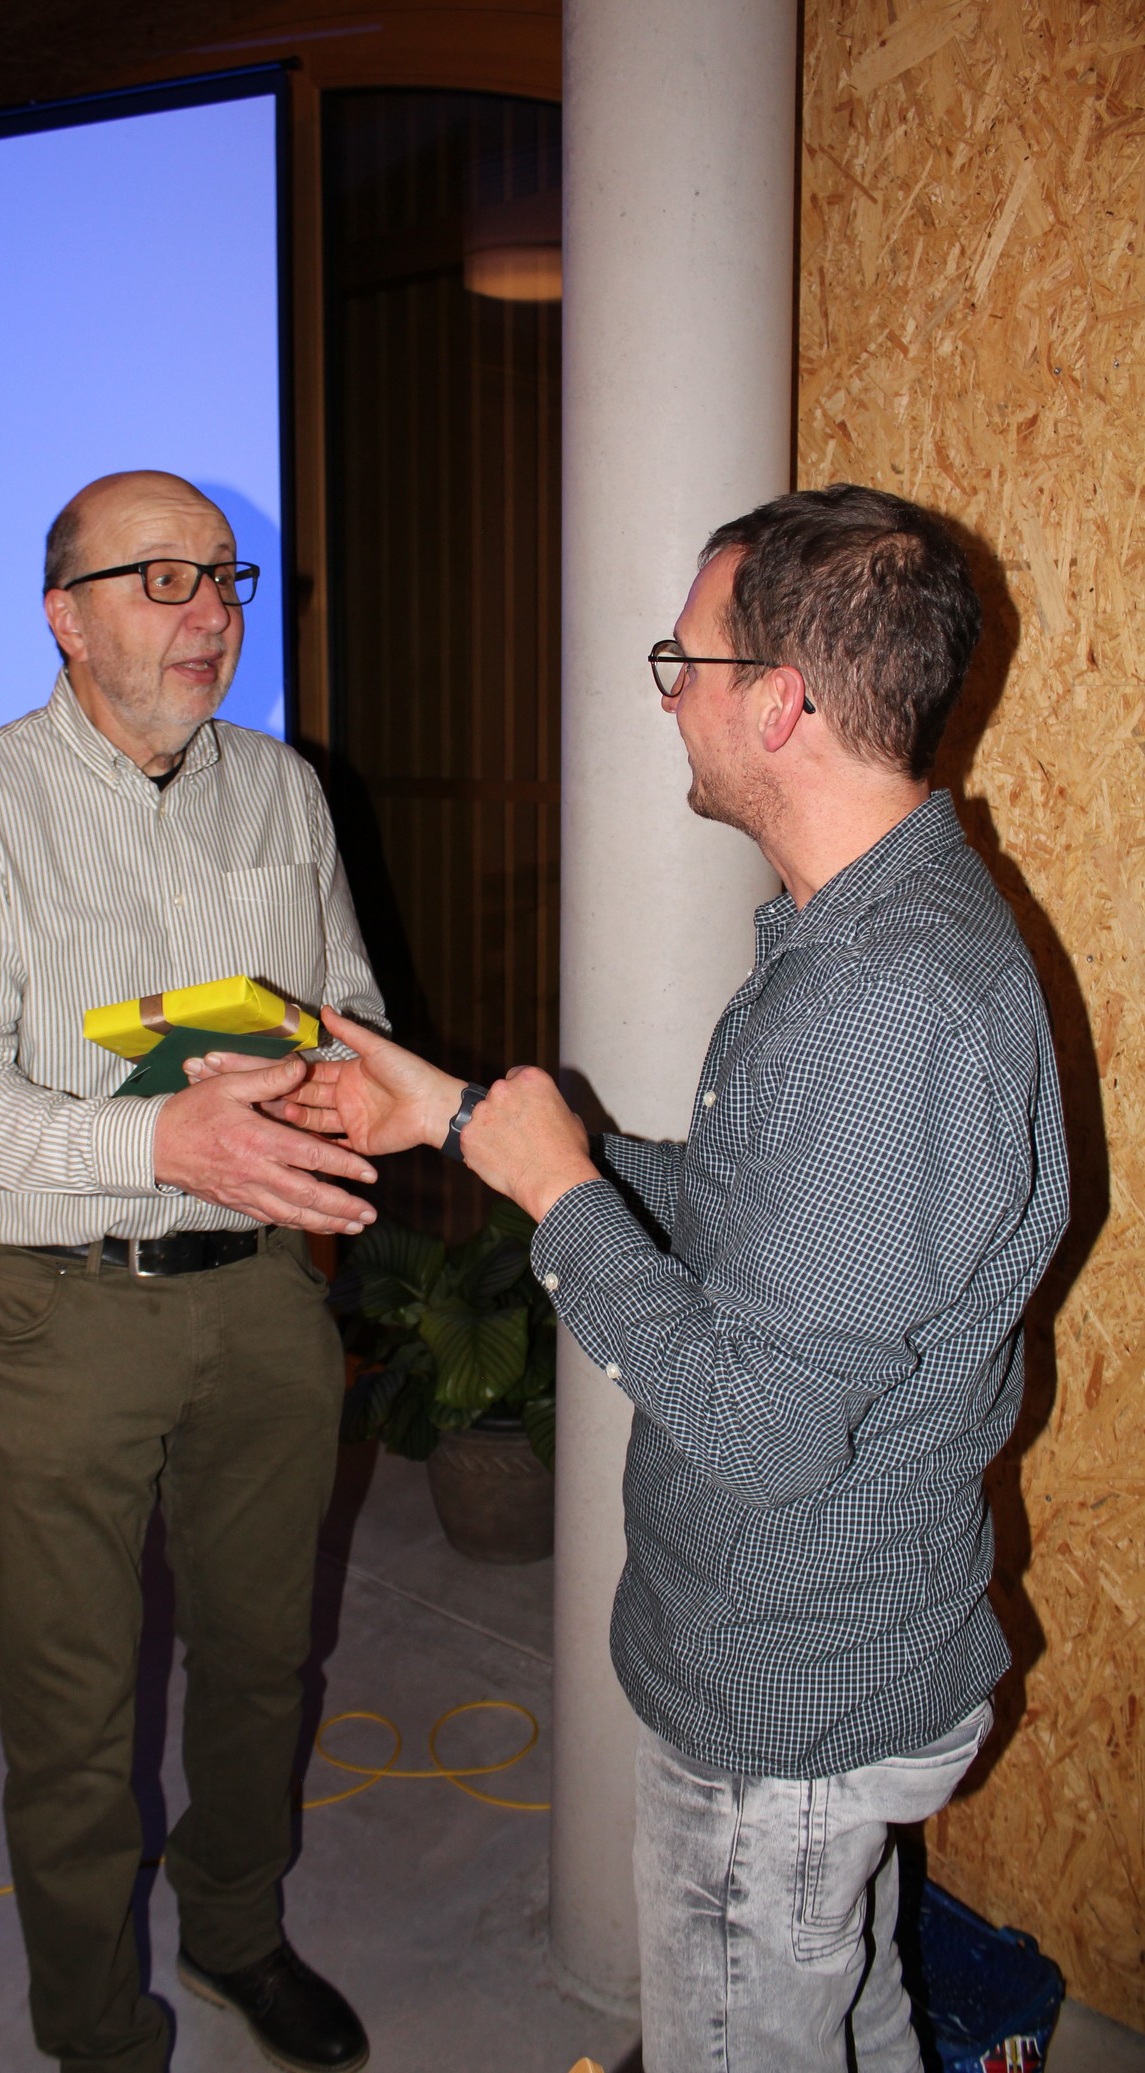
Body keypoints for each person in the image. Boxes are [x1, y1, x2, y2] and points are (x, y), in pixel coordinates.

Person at [204, 485, 1070, 2071]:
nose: (666, 692)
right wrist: (464, 1119)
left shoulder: (883, 1006)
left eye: (686, 660)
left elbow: (761, 1424)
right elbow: (763, 1229)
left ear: (780, 702)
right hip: (827, 1657)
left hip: (782, 1693)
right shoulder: (865, 936)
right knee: (856, 2013)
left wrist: (555, 1185)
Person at [0, 470, 383, 2073]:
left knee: (260, 1658)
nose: (210, 612)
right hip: (62, 1305)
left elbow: (346, 1005)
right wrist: (161, 1137)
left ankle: (236, 1931)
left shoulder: (283, 790)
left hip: (260, 1296)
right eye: (160, 578)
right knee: (74, 1709)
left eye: (223, 578)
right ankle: (97, 2031)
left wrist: (330, 1086)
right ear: (66, 615)